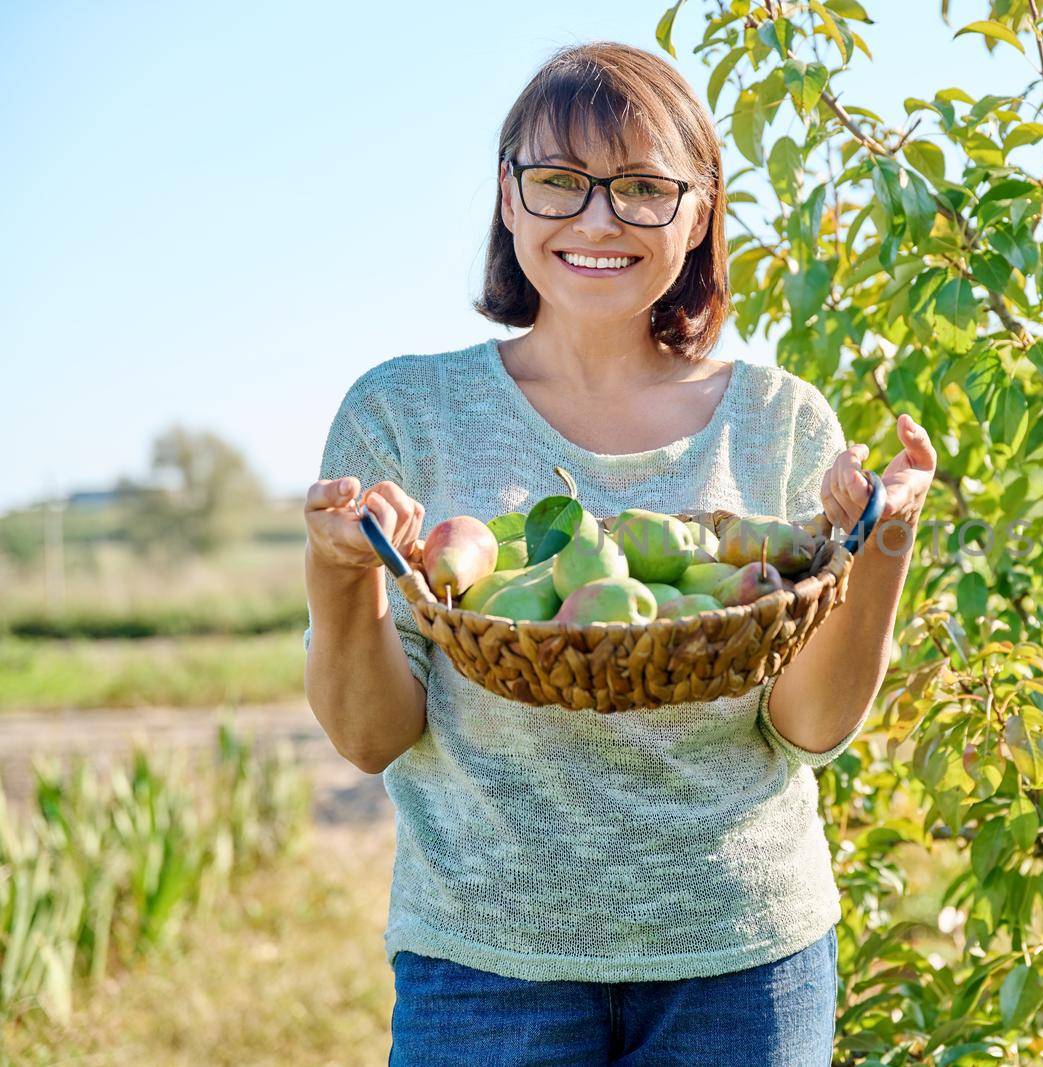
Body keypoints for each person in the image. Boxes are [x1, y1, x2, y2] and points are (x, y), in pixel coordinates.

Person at [301, 40, 935, 1066]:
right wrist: (340, 578)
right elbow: (372, 738)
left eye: (642, 187)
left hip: (743, 963)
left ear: (698, 213)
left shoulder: (777, 422)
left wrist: (884, 545)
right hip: (485, 967)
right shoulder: (403, 414)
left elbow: (810, 727)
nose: (597, 219)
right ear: (507, 200)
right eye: (557, 182)